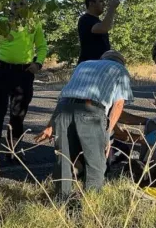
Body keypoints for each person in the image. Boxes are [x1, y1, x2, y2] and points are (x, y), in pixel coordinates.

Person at [34, 50, 134, 198]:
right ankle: (92, 201)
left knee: (65, 158)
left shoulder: (84, 64)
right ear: (121, 62)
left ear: (102, 58)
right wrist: (107, 134)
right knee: (95, 163)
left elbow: (64, 97)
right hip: (90, 111)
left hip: (64, 109)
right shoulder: (120, 70)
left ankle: (62, 199)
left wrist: (50, 125)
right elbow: (118, 105)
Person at [0, 0, 48, 153]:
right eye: (14, 4)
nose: (18, 7)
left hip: (24, 73)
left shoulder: (34, 22)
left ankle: (14, 152)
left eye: (22, 4)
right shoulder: (0, 22)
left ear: (27, 5)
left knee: (18, 115)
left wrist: (38, 64)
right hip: (2, 72)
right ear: (9, 5)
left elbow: (42, 47)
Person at [77, 0, 120, 64]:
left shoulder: (97, 22)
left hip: (99, 67)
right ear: (91, 3)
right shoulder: (85, 19)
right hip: (89, 67)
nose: (104, 4)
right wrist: (112, 8)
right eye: (101, 1)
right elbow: (104, 28)